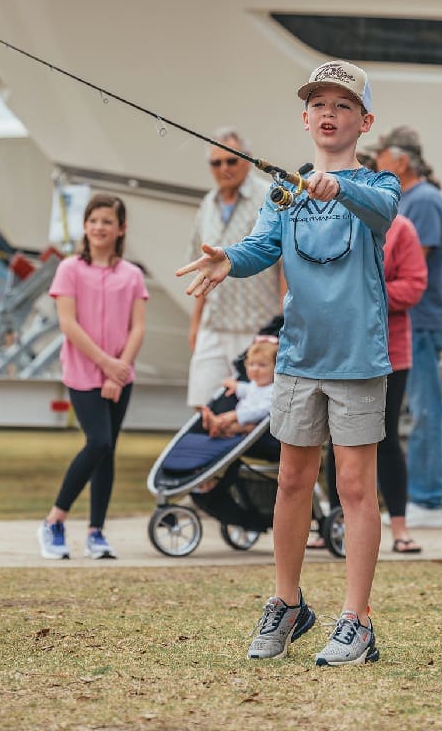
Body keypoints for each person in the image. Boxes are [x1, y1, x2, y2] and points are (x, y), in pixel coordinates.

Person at [177, 59, 400, 666]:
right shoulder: (285, 191)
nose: (329, 113)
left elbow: (379, 214)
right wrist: (228, 259)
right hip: (298, 359)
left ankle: (358, 621)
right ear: (305, 119)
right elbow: (261, 246)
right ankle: (288, 604)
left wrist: (339, 187)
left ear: (364, 120)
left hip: (357, 362)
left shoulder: (380, 186)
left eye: (343, 105)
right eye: (318, 104)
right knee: (291, 482)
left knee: (354, 488)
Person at [37, 194, 148, 560]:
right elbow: (68, 324)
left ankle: (96, 532)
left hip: (121, 372)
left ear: (121, 228)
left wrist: (120, 369)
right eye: (93, 220)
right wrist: (106, 364)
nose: (99, 227)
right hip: (84, 372)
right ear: (85, 226)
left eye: (107, 221)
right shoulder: (69, 269)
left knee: (108, 451)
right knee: (97, 442)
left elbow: (137, 327)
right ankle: (54, 521)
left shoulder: (131, 274)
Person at [314, 212, 428, 553]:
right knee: (337, 441)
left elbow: (414, 285)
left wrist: (363, 291)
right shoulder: (327, 222)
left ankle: (399, 528)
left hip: (389, 353)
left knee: (387, 438)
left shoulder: (402, 227)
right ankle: (336, 524)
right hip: (338, 351)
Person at [371, 128, 442, 528]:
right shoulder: (410, 199)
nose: (376, 163)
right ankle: (418, 496)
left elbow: (411, 264)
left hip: (417, 323)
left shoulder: (422, 202)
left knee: (423, 412)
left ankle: (427, 500)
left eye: (381, 155)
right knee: (409, 415)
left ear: (401, 161)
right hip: (405, 325)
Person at [186, 127, 283, 409]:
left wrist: (283, 320)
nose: (224, 168)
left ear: (248, 159)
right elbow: (201, 267)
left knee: (256, 411)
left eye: (231, 160)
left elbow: (284, 267)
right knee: (202, 404)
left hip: (257, 325)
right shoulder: (207, 203)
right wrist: (195, 324)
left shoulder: (269, 196)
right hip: (214, 324)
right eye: (217, 163)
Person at [202, 337, 278, 438]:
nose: (255, 369)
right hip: (240, 417)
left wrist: (236, 415)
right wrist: (236, 386)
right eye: (251, 364)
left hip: (256, 423)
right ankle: (218, 427)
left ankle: (217, 424)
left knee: (247, 426)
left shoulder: (273, 390)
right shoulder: (254, 384)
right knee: (230, 420)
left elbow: (264, 411)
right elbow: (246, 390)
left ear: (276, 368)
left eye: (262, 365)